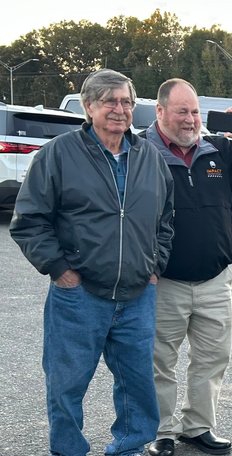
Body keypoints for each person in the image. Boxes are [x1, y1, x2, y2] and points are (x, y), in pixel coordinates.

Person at [9, 69, 174, 456]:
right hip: (78, 295)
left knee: (137, 385)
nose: (120, 110)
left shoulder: (149, 157)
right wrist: (61, 272)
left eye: (127, 102)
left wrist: (155, 267)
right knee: (66, 384)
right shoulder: (58, 154)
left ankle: (130, 448)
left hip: (137, 295)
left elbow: (166, 220)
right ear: (89, 106)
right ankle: (68, 450)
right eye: (109, 101)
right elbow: (29, 221)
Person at [144, 79, 232, 456]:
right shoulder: (143, 152)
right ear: (161, 111)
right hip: (164, 281)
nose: (190, 120)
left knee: (212, 358)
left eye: (196, 112)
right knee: (160, 362)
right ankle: (161, 431)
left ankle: (197, 426)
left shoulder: (217, 149)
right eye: (182, 111)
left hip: (215, 281)